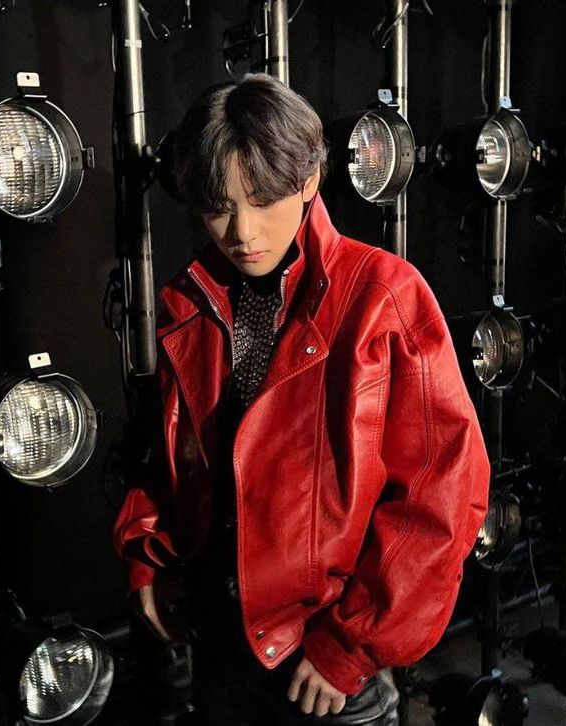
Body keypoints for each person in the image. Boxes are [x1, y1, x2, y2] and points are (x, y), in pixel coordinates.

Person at [113, 72, 491, 725]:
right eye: (217, 205)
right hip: (219, 642)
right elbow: (169, 454)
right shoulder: (187, 301)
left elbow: (442, 491)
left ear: (309, 182)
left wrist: (352, 645)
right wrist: (149, 557)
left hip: (324, 658)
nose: (241, 230)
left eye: (262, 199)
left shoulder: (382, 295)